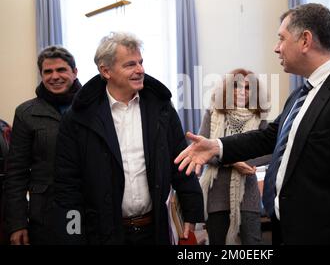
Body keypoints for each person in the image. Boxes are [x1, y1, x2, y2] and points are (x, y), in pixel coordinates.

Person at [175, 3, 330, 244]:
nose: (276, 48)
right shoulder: (301, 93)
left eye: (281, 39)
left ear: (305, 40)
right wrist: (217, 146)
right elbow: (270, 137)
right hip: (288, 228)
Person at [52, 32, 203, 245]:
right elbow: (67, 185)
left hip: (154, 229)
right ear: (106, 71)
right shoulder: (78, 118)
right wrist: (72, 234)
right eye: (130, 64)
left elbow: (181, 159)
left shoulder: (161, 108)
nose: (140, 70)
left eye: (141, 62)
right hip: (103, 233)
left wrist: (192, 209)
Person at [2, 46, 81, 245]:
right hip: (45, 214)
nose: (55, 76)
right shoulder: (26, 113)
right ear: (41, 75)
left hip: (87, 208)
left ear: (74, 72)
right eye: (48, 71)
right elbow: (16, 173)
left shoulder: (91, 108)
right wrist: (18, 223)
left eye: (61, 70)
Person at [199, 68, 271, 245]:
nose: (241, 91)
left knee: (253, 243)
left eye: (247, 87)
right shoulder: (213, 113)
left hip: (248, 192)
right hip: (216, 193)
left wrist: (244, 162)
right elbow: (202, 150)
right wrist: (233, 162)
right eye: (236, 86)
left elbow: (269, 151)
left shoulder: (259, 118)